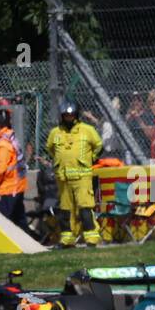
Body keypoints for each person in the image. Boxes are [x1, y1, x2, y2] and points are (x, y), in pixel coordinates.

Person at [44, 102, 103, 247]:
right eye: (66, 115)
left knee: (85, 208)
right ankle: (67, 239)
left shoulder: (87, 130)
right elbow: (50, 149)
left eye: (71, 115)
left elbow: (99, 146)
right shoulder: (55, 132)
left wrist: (91, 159)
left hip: (82, 177)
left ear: (76, 115)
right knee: (65, 210)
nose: (69, 117)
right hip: (63, 178)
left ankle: (91, 239)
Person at [0, 111, 29, 230]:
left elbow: (0, 169)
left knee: (2, 220)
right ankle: (29, 244)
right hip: (17, 185)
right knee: (19, 219)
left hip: (8, 188)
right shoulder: (11, 138)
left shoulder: (3, 145)